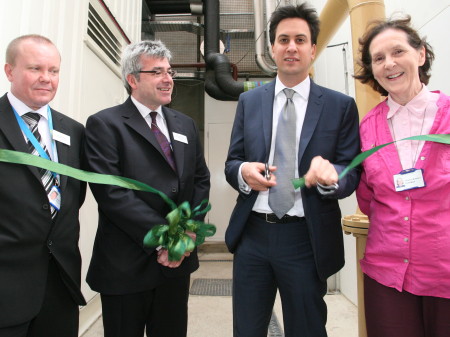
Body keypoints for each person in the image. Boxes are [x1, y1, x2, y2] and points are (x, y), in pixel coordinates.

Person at [224, 4, 360, 337]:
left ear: (313, 48)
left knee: (307, 328)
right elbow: (232, 161)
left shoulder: (339, 105)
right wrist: (244, 172)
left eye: (301, 39)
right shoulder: (250, 102)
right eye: (283, 39)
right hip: (252, 235)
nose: (291, 47)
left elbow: (351, 169)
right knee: (247, 329)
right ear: (271, 47)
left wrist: (331, 176)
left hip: (305, 238)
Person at [84, 40, 210, 337]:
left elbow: (200, 180)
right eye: (157, 72)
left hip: (176, 264)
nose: (168, 79)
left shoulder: (185, 125)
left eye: (169, 71)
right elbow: (113, 195)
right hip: (126, 265)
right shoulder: (105, 124)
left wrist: (186, 233)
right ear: (133, 79)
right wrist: (168, 238)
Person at [355, 16, 450, 337]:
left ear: (420, 54)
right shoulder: (367, 127)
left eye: (398, 52)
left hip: (445, 273)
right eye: (378, 58)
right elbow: (368, 200)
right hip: (388, 277)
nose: (389, 64)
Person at [0, 35, 86, 337]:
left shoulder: (73, 131)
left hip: (60, 285)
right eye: (35, 68)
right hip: (6, 289)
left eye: (53, 70)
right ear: (10, 71)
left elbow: (74, 199)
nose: (45, 79)